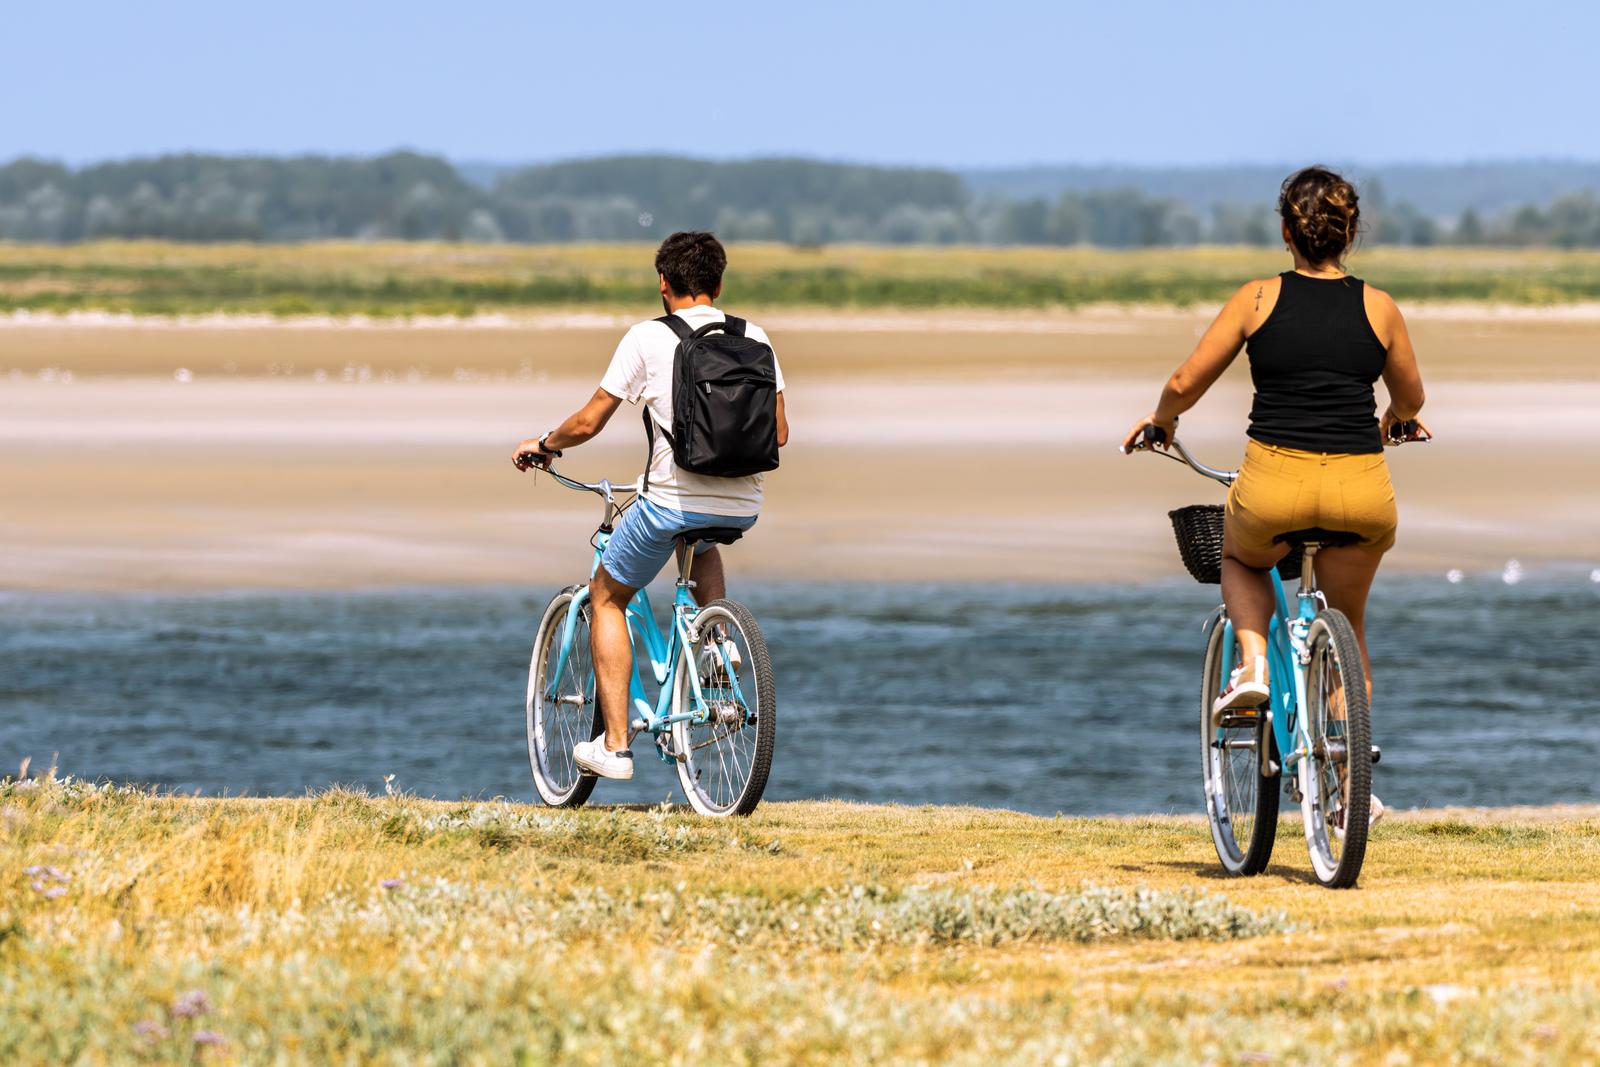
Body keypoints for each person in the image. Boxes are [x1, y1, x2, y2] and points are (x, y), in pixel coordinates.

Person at [1121, 165, 1429, 825]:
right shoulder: (1380, 307)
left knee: (1241, 557)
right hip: (1360, 492)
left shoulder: (1257, 299)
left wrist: (1163, 423)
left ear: (1287, 231)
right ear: (1350, 235)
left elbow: (1183, 381)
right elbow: (1411, 397)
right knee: (1351, 628)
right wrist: (1393, 423)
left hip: (1274, 489)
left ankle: (1254, 662)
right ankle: (1348, 791)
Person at [512, 231, 788, 782]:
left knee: (608, 597)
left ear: (664, 283)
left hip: (669, 502)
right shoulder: (754, 336)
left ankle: (615, 746)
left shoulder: (647, 337)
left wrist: (543, 446)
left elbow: (588, 422)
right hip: (744, 502)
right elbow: (778, 432)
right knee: (703, 537)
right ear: (719, 282)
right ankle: (716, 645)